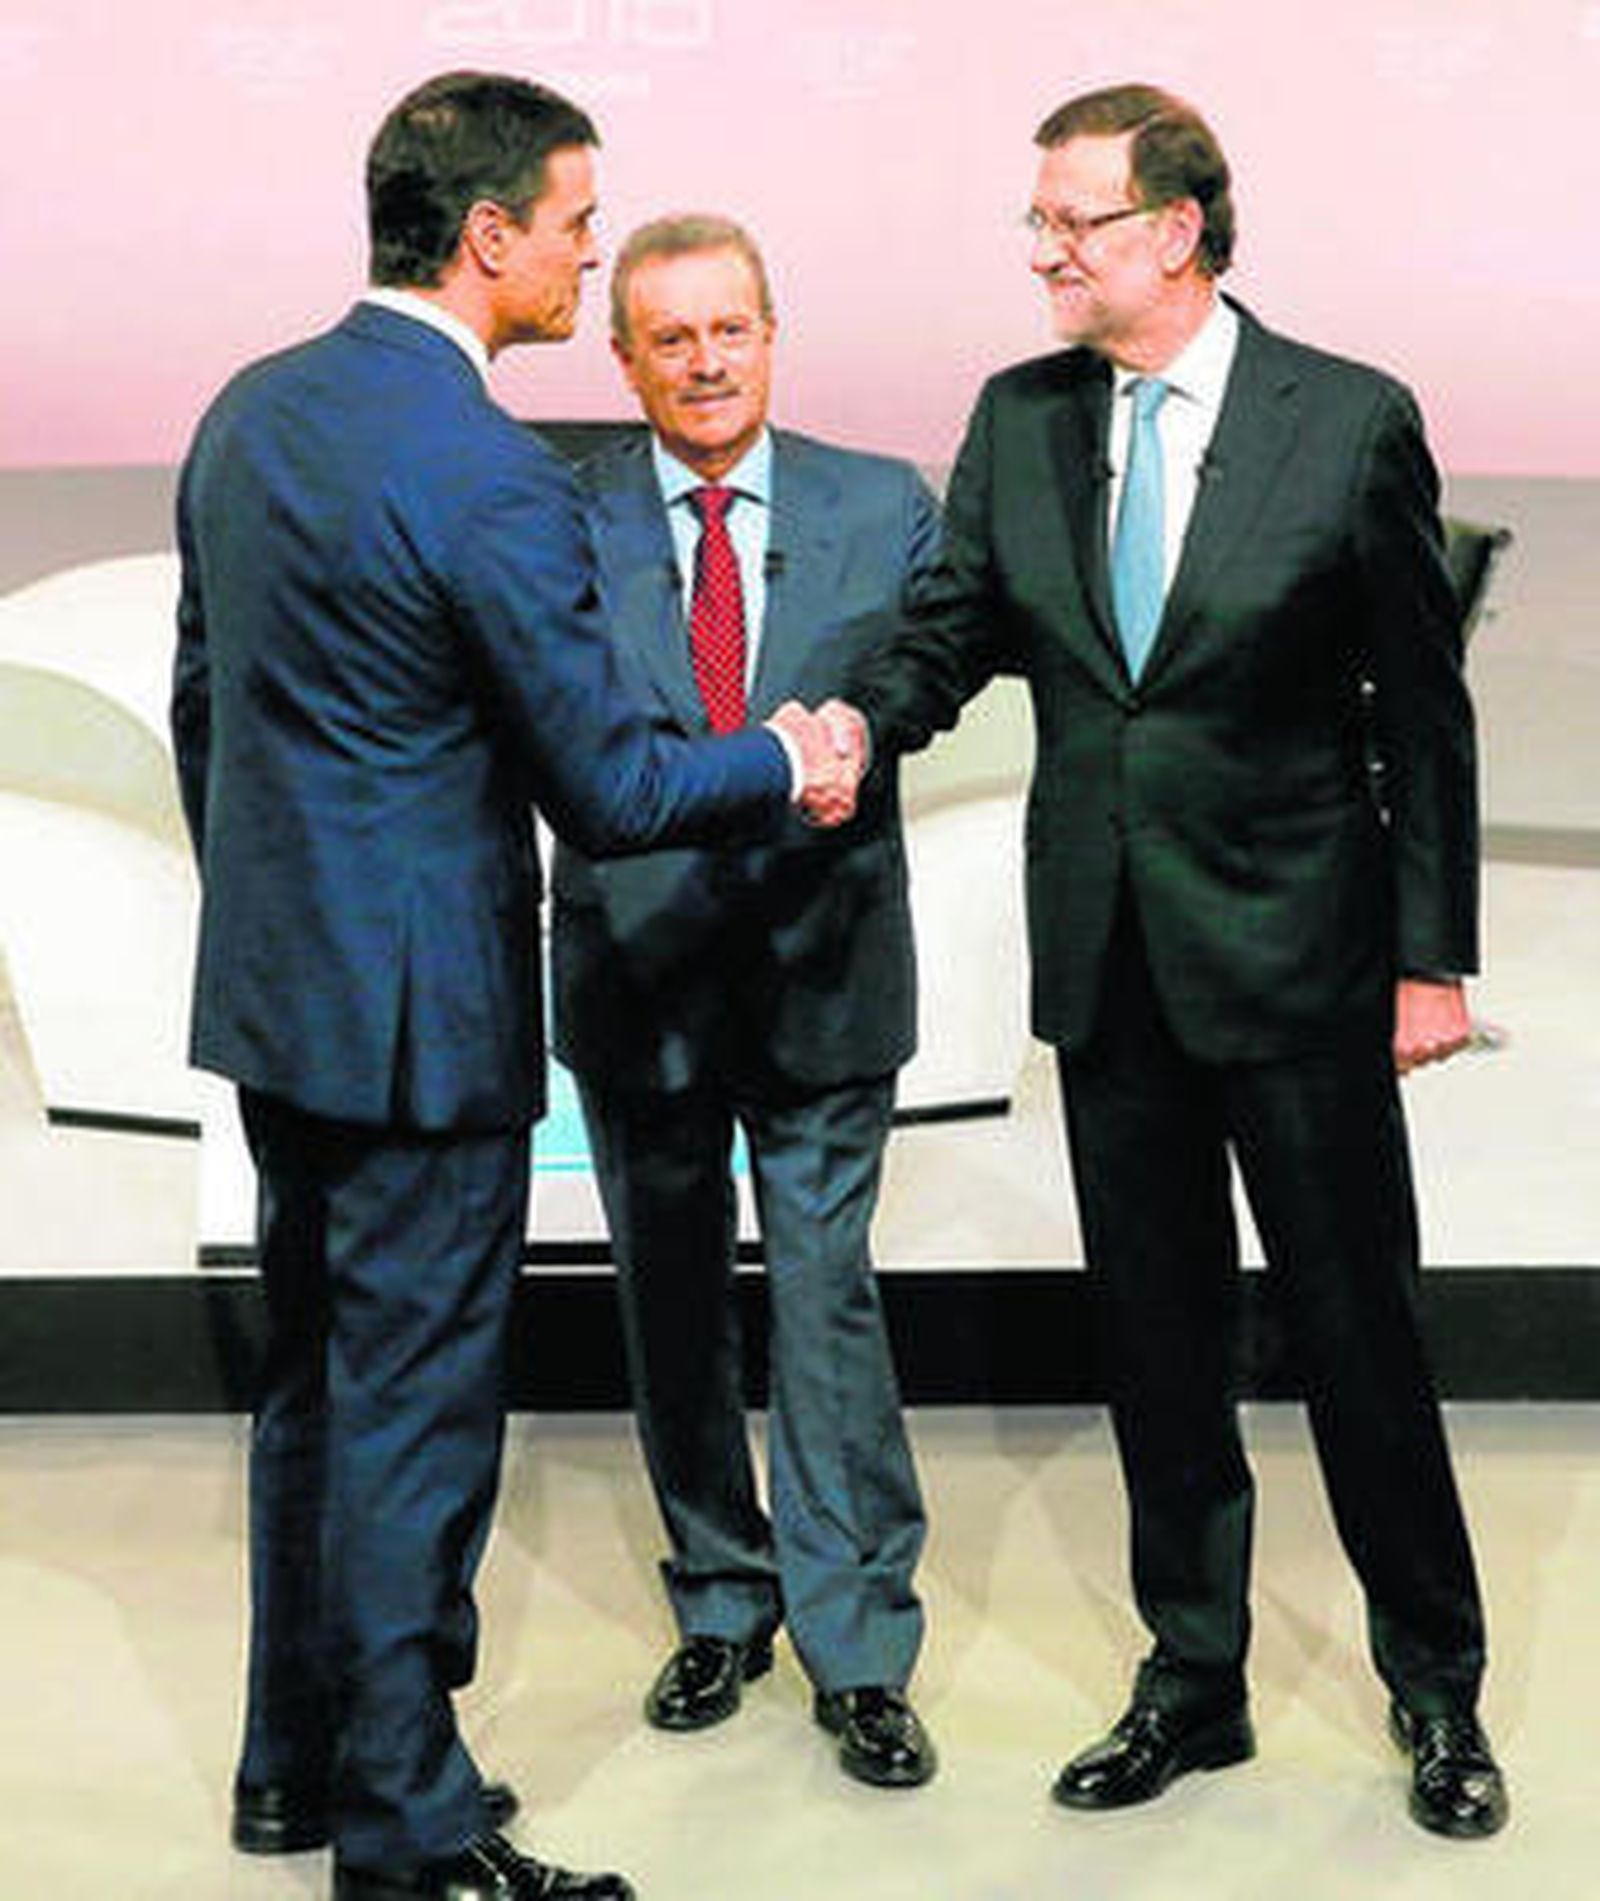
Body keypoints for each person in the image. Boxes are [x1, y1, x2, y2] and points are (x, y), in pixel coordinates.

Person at [171, 73, 856, 1901]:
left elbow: (206, 712)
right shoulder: (485, 466)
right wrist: (787, 755)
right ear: (489, 238)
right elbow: (621, 784)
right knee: (411, 1417)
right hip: (421, 1032)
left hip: (277, 1002)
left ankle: (287, 1767)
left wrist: (283, 914)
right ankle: (410, 1832)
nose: (581, 252)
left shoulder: (250, 414)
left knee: (314, 1383)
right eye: (572, 223)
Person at [835, 83, 1507, 1839]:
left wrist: (1429, 963)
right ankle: (1192, 1678)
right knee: (1156, 1340)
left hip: (1302, 961)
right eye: (1036, 221)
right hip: (1115, 967)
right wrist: (851, 729)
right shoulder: (1021, 417)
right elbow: (953, 631)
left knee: (1362, 1337)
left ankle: (1436, 1686)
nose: (1043, 252)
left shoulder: (1348, 422)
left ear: (1178, 232)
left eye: (1076, 222)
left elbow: (1425, 724)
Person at [550, 215, 940, 1790]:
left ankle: (859, 1644)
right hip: (637, 962)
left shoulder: (882, 503)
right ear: (624, 354)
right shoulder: (557, 520)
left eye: (732, 329)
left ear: (773, 334)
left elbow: (915, 691)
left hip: (823, 953)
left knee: (825, 1291)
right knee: (671, 1295)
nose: (706, 362)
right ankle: (721, 1595)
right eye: (671, 336)